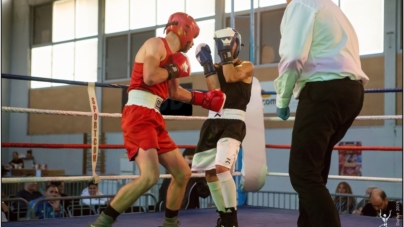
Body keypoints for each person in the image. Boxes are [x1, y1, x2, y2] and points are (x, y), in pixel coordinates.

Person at [88, 12, 225, 227]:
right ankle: (101, 223)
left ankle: (170, 223)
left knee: (182, 173)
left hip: (154, 115)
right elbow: (149, 77)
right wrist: (173, 68)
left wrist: (204, 100)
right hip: (138, 113)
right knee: (149, 176)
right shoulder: (155, 44)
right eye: (193, 38)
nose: (191, 44)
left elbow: (175, 93)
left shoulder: (175, 59)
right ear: (184, 30)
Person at [273, 0, 370, 226]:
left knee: (303, 173)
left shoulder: (301, 4)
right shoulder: (332, 8)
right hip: (351, 92)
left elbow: (293, 56)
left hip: (324, 91)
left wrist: (283, 97)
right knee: (314, 173)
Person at [191, 27, 254, 227]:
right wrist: (208, 65)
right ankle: (224, 216)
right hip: (214, 120)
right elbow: (215, 92)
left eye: (230, 41)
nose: (227, 44)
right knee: (209, 172)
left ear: (236, 43)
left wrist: (225, 53)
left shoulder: (247, 65)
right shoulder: (219, 66)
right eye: (224, 41)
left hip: (234, 122)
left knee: (221, 168)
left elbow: (231, 77)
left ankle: (232, 218)